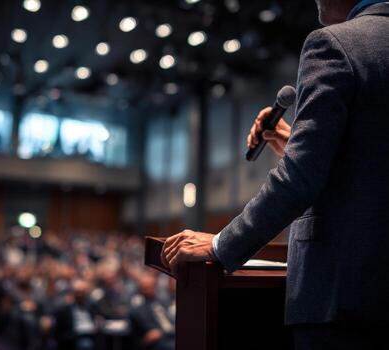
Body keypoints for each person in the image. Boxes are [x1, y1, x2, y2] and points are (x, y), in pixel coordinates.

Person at [162, 0, 389, 348]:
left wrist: (223, 244)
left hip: (344, 299)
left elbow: (301, 179)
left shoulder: (335, 44)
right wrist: (297, 144)